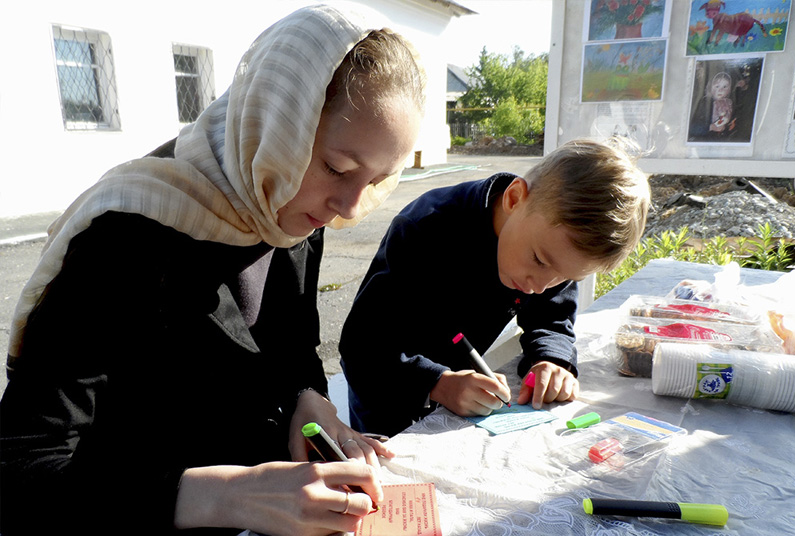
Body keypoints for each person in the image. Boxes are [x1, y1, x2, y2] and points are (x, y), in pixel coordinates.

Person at [0, 5, 425, 535]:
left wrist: (307, 399)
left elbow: (290, 351)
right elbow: (19, 470)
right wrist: (222, 497)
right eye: (336, 168)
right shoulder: (127, 235)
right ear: (274, 124)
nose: (350, 207)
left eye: (377, 181)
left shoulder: (289, 216)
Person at [340, 137, 650, 437]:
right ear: (514, 198)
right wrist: (437, 383)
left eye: (565, 278)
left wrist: (551, 359)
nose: (540, 287)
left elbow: (551, 316)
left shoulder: (550, 251)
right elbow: (362, 348)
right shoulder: (425, 230)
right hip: (388, 403)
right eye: (539, 261)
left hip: (460, 397)